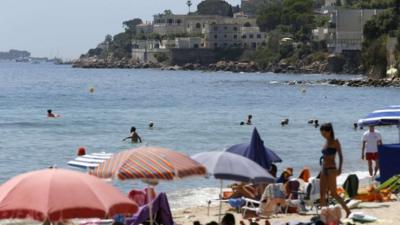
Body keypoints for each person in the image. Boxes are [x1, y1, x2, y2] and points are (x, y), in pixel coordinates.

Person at [319, 123, 351, 217]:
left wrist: (340, 168)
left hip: (332, 169)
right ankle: (323, 214)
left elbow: (340, 155)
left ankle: (348, 211)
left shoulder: (335, 141)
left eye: (324, 133)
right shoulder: (325, 142)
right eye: (321, 134)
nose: (323, 135)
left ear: (329, 132)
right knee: (322, 193)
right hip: (323, 168)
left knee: (333, 193)